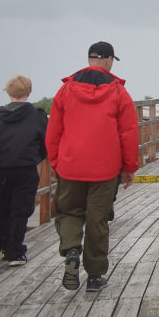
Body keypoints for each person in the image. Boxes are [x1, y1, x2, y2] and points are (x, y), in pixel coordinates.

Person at [45, 41, 138, 292]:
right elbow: (128, 133)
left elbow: (53, 132)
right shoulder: (119, 92)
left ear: (90, 59)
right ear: (108, 60)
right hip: (105, 168)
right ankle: (95, 276)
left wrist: (57, 163)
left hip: (71, 164)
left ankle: (72, 251)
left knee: (69, 212)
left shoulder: (65, 90)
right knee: (98, 220)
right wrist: (129, 167)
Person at [0, 75, 48, 266]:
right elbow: (46, 141)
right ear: (29, 92)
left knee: (4, 204)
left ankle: (2, 242)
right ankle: (15, 251)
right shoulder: (36, 116)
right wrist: (38, 157)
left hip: (3, 169)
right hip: (26, 167)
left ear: (9, 92)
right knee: (21, 208)